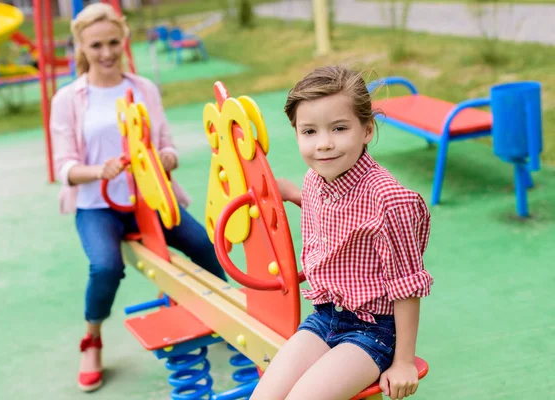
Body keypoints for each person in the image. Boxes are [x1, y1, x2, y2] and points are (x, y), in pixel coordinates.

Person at [49, 3, 227, 392]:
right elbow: (63, 167)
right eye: (96, 45)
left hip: (150, 200)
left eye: (114, 42)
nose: (107, 53)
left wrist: (167, 158)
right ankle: (92, 338)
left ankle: (224, 316)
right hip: (98, 206)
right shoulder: (68, 99)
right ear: (80, 45)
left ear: (124, 39)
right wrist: (100, 171)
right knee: (105, 266)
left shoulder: (143, 88)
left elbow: (168, 146)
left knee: (205, 245)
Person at [250, 66, 434, 400]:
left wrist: (404, 361)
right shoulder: (315, 181)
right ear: (296, 134)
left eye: (339, 128)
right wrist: (295, 194)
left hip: (373, 331)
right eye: (309, 132)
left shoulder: (390, 200)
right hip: (324, 319)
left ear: (366, 129)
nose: (324, 144)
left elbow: (407, 286)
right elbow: (343, 218)